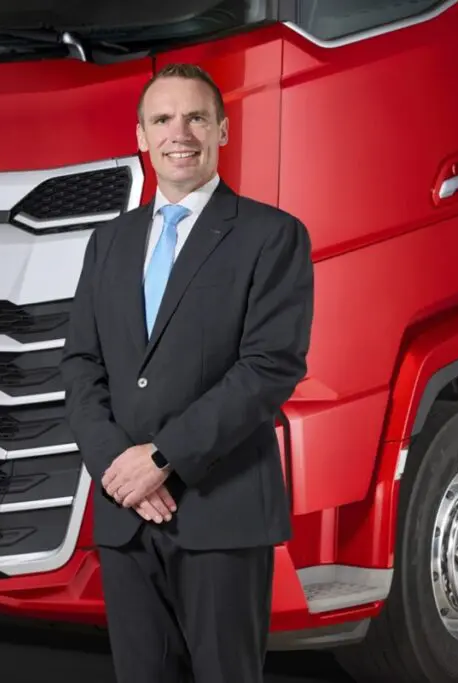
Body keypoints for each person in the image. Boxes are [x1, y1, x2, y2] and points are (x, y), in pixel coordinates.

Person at [59, 62, 314, 683]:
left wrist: (162, 457)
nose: (180, 133)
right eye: (163, 119)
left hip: (222, 514)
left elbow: (268, 368)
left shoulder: (272, 236)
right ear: (141, 136)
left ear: (222, 130)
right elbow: (82, 363)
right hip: (126, 514)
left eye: (197, 117)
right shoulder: (108, 242)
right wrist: (118, 467)